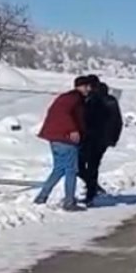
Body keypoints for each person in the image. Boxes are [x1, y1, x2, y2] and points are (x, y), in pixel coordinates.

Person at [33, 75, 93, 210]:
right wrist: (72, 129)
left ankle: (41, 197)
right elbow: (63, 113)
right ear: (81, 87)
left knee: (59, 169)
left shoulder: (65, 97)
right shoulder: (74, 98)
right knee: (71, 170)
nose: (88, 89)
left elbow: (55, 112)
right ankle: (69, 202)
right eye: (87, 86)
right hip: (66, 139)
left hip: (55, 139)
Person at [78, 76, 124, 205]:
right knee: (92, 166)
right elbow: (118, 122)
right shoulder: (110, 100)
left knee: (80, 165)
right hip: (102, 139)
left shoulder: (91, 100)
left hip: (92, 138)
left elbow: (88, 120)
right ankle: (92, 190)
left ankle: (91, 192)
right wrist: (113, 139)